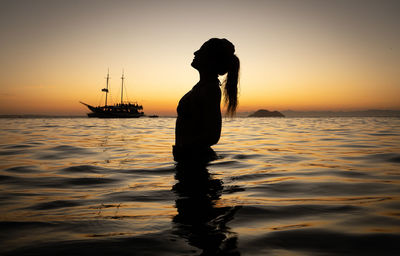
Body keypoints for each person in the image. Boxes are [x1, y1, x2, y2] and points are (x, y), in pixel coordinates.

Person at [173, 38, 240, 162]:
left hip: (195, 160)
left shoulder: (210, 89)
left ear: (211, 59)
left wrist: (186, 149)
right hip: (189, 158)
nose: (195, 53)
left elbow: (213, 135)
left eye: (201, 50)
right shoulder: (203, 87)